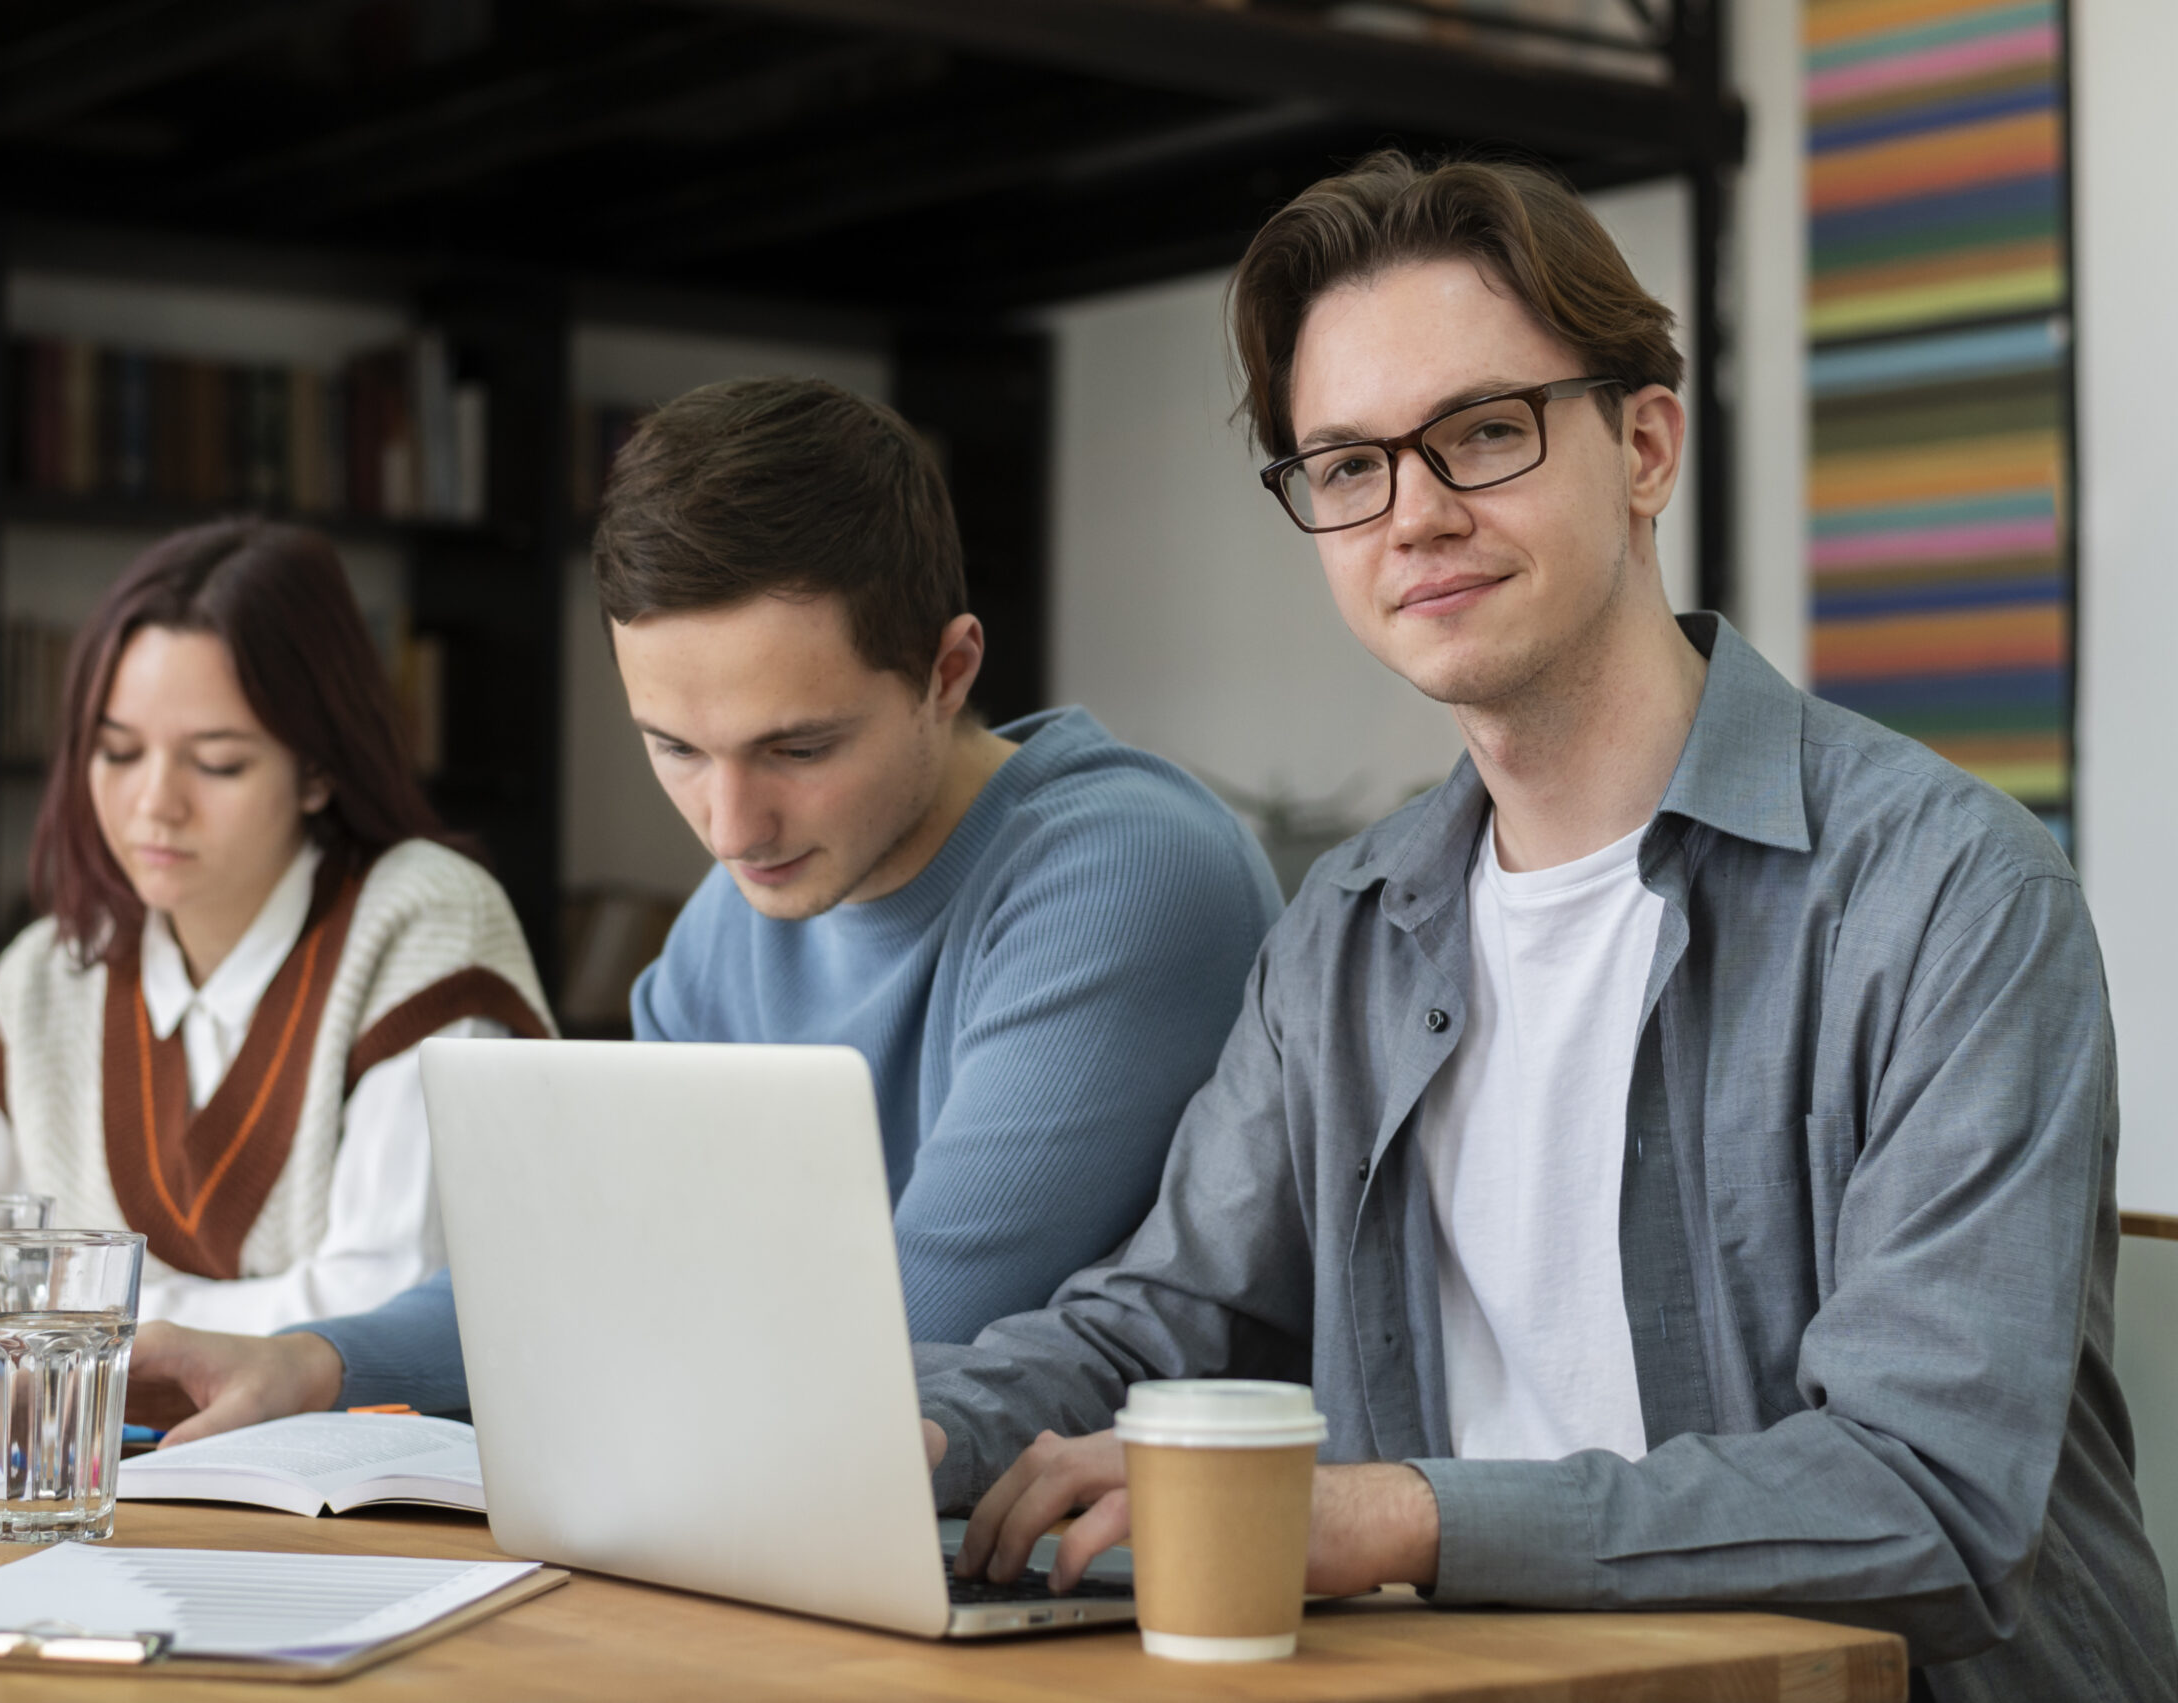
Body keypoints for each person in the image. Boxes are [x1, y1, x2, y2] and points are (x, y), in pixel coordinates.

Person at [923, 153, 2175, 1699]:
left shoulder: (1948, 895)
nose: (1416, 514)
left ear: (1645, 446)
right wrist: (895, 1432)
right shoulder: (1352, 931)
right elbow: (1163, 1320)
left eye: (1483, 432)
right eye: (1346, 465)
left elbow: (1925, 1498)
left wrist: (1385, 1513)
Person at [125, 377, 1282, 1442]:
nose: (731, 827)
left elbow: (910, 1323)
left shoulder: (1126, 873)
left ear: (948, 670)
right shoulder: (732, 921)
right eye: (674, 748)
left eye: (799, 745)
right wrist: (311, 1363)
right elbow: (597, 1259)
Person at [0, 520, 553, 1398]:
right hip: (118, 1496)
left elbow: (392, 1296)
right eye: (118, 751)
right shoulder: (52, 973)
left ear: (319, 771)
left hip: (376, 1506)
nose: (153, 804)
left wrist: (57, 1309)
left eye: (216, 763)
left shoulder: (425, 920)